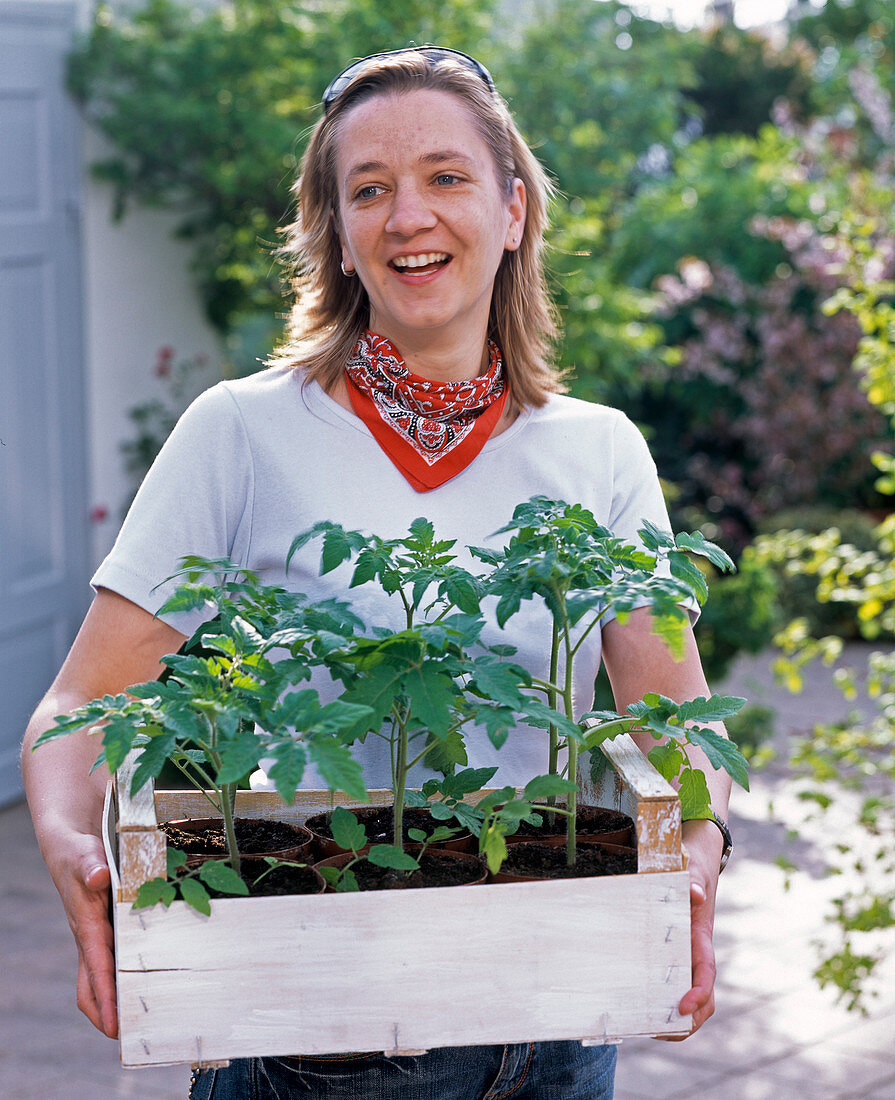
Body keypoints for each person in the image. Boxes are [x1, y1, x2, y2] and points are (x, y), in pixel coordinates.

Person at [22, 47, 732, 1100]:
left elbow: (673, 726)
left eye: (446, 176)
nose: (408, 216)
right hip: (320, 1029)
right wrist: (66, 834)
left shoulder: (599, 451)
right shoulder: (242, 433)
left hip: (556, 1022)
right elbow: (83, 699)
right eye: (369, 190)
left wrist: (699, 849)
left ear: (515, 210)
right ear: (341, 242)